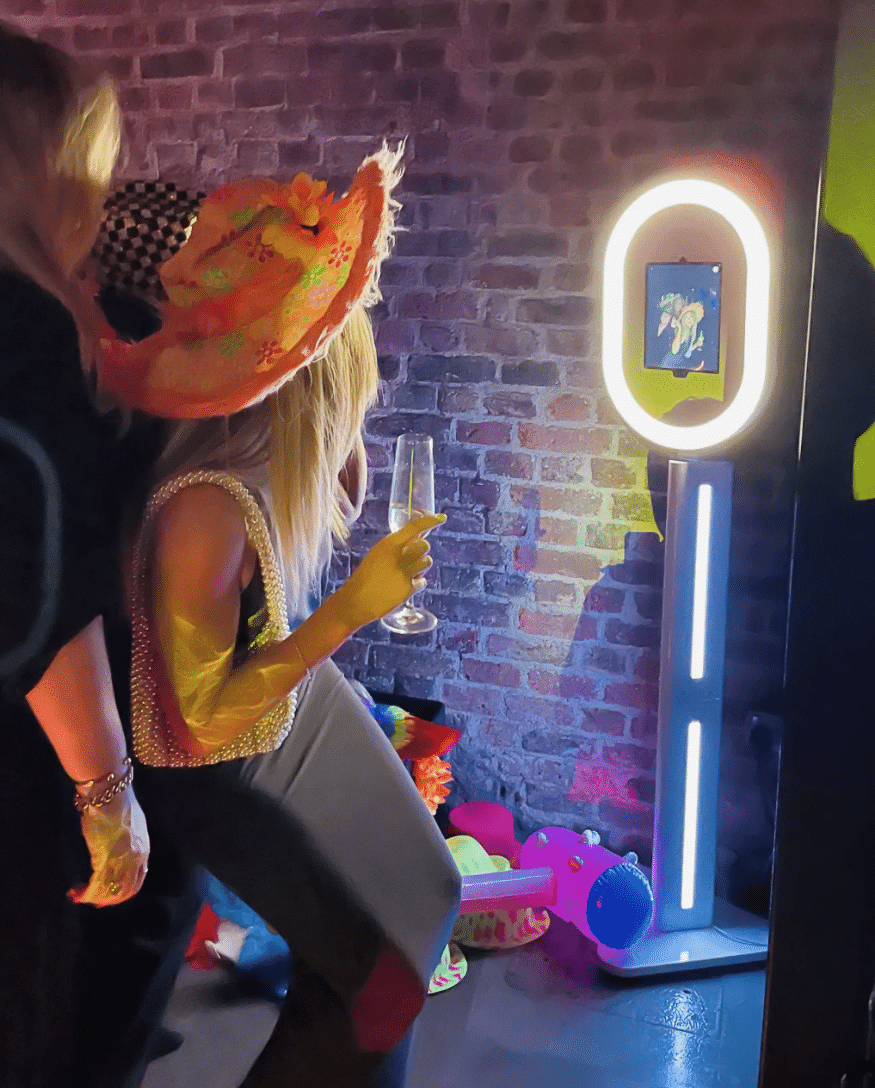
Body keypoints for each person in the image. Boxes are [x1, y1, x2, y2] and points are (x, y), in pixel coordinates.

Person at [101, 156, 462, 1087]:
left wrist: (344, 452)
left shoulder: (250, 473)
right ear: (312, 372)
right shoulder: (205, 508)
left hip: (273, 714)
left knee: (427, 904)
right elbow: (199, 721)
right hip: (221, 757)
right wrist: (351, 608)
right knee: (377, 987)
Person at [0, 22, 201, 1088]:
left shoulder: (60, 309)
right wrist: (104, 787)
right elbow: (24, 579)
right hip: (30, 779)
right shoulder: (26, 321)